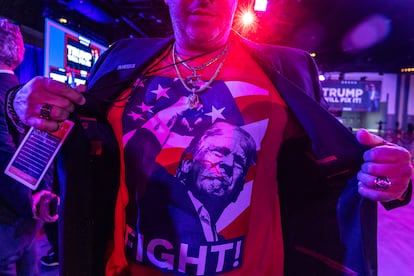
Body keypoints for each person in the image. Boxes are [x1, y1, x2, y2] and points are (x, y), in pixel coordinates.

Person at [4, 1, 413, 275]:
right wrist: (18, 103)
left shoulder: (288, 69)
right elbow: (63, 132)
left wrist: (391, 179)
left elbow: (332, 168)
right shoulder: (120, 59)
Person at [0, 17, 58, 276]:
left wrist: (30, 202)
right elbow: (46, 150)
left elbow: (2, 155)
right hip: (30, 219)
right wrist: (40, 198)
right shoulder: (30, 95)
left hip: (7, 220)